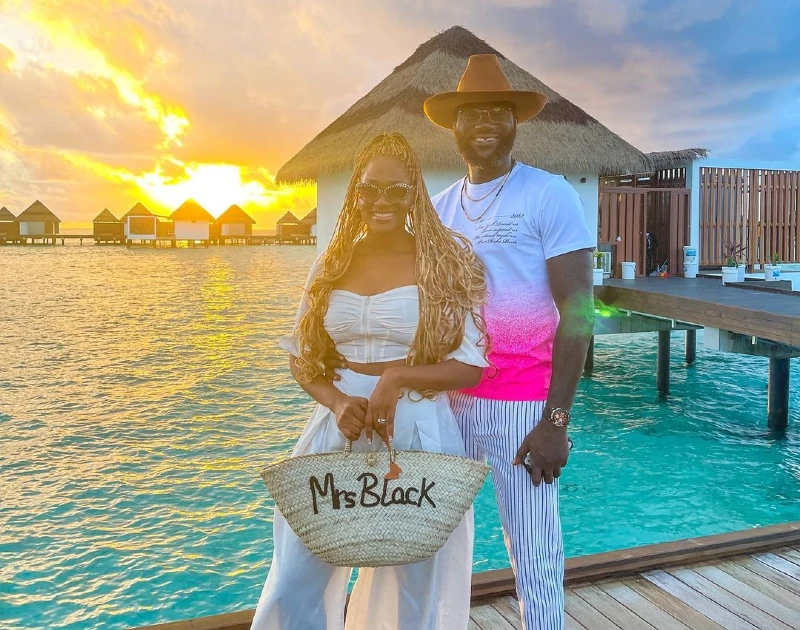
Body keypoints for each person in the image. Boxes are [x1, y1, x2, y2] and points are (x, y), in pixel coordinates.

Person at [251, 132, 490, 630]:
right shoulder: (333, 262)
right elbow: (302, 357)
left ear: (413, 196)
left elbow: (470, 365)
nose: (382, 201)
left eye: (396, 190)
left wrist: (397, 377)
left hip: (418, 430)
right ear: (355, 194)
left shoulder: (441, 262)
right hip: (338, 428)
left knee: (415, 583)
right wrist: (337, 401)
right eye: (370, 189)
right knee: (298, 568)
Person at [423, 54, 596, 629]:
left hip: (522, 405)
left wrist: (557, 420)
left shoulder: (548, 195)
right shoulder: (441, 209)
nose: (486, 123)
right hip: (452, 399)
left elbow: (578, 309)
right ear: (454, 125)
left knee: (534, 551)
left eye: (499, 112)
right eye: (472, 113)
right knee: (438, 542)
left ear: (516, 122)